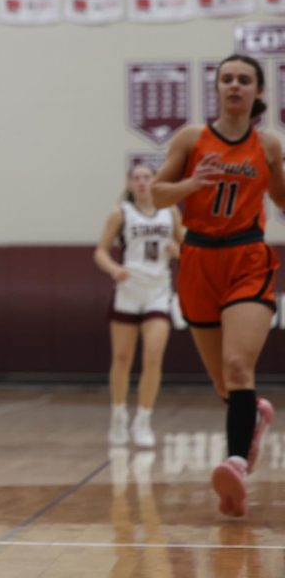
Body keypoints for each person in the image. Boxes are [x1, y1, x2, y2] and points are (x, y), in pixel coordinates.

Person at [151, 54, 281, 518]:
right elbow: (154, 195)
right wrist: (191, 183)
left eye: (244, 79)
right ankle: (256, 420)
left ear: (257, 92)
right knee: (227, 384)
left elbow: (283, 198)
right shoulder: (192, 139)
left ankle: (235, 465)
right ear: (217, 88)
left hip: (248, 257)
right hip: (198, 259)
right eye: (226, 78)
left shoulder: (268, 146)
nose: (234, 85)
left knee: (238, 366)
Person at [94, 163, 183, 448]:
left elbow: (188, 248)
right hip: (129, 289)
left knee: (154, 357)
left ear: (155, 181)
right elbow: (100, 252)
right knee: (122, 358)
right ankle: (119, 414)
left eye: (147, 177)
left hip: (158, 289)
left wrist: (177, 251)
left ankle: (144, 419)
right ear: (130, 184)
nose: (142, 182)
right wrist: (114, 269)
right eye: (137, 178)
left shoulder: (171, 212)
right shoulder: (121, 212)